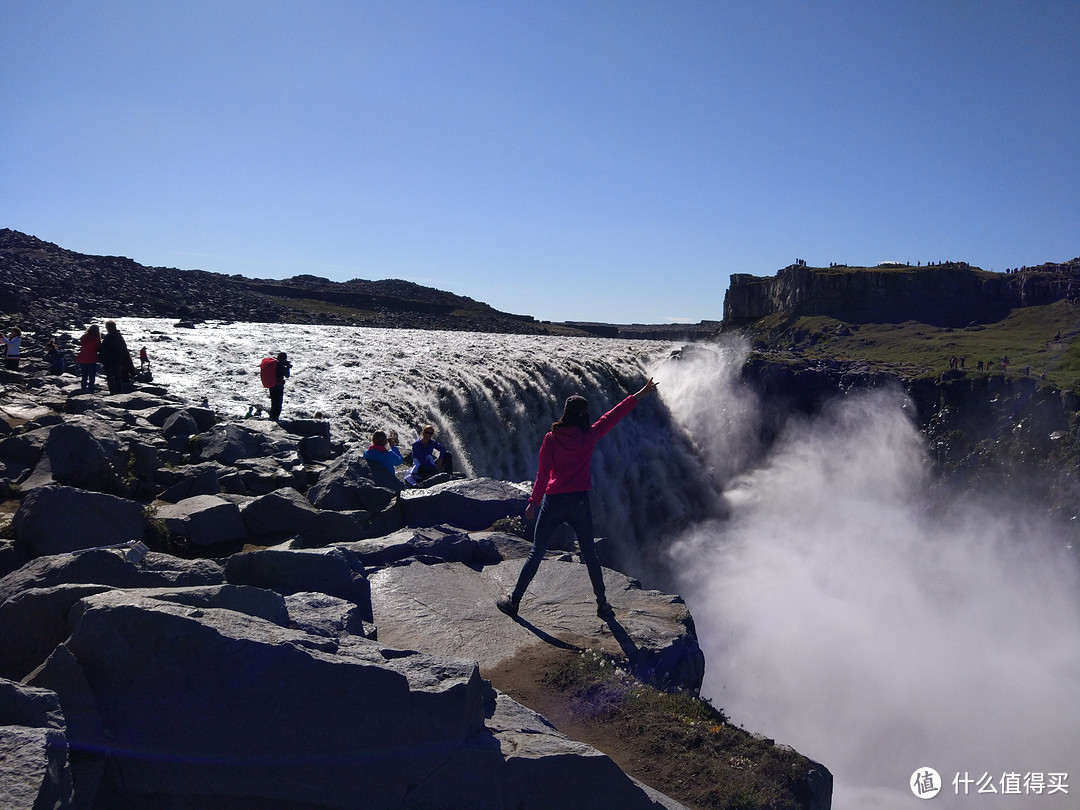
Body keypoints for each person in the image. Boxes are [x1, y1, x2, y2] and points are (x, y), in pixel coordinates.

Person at [496, 377, 659, 621]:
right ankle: (602, 605)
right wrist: (639, 394)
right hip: (580, 502)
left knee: (536, 553)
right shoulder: (589, 436)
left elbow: (543, 473)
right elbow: (612, 416)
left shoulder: (551, 438)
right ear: (584, 415)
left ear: (565, 413)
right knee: (590, 554)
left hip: (553, 502)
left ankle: (514, 602)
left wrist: (533, 502)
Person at [98, 321, 129, 395]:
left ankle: (112, 392)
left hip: (109, 360)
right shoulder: (119, 336)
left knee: (110, 377)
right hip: (118, 360)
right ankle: (119, 391)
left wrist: (101, 358)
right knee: (118, 376)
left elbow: (103, 348)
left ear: (108, 328)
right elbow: (124, 349)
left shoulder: (108, 337)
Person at [263, 351, 291, 421]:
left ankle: (271, 418)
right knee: (278, 405)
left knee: (273, 403)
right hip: (278, 386)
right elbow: (287, 375)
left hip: (272, 385)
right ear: (283, 359)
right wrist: (287, 367)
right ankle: (275, 420)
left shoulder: (273, 363)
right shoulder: (280, 364)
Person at [76, 324, 101, 392]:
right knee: (92, 376)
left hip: (83, 357)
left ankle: (83, 388)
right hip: (92, 358)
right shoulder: (95, 339)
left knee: (84, 375)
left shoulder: (84, 337)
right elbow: (97, 348)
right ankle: (91, 389)